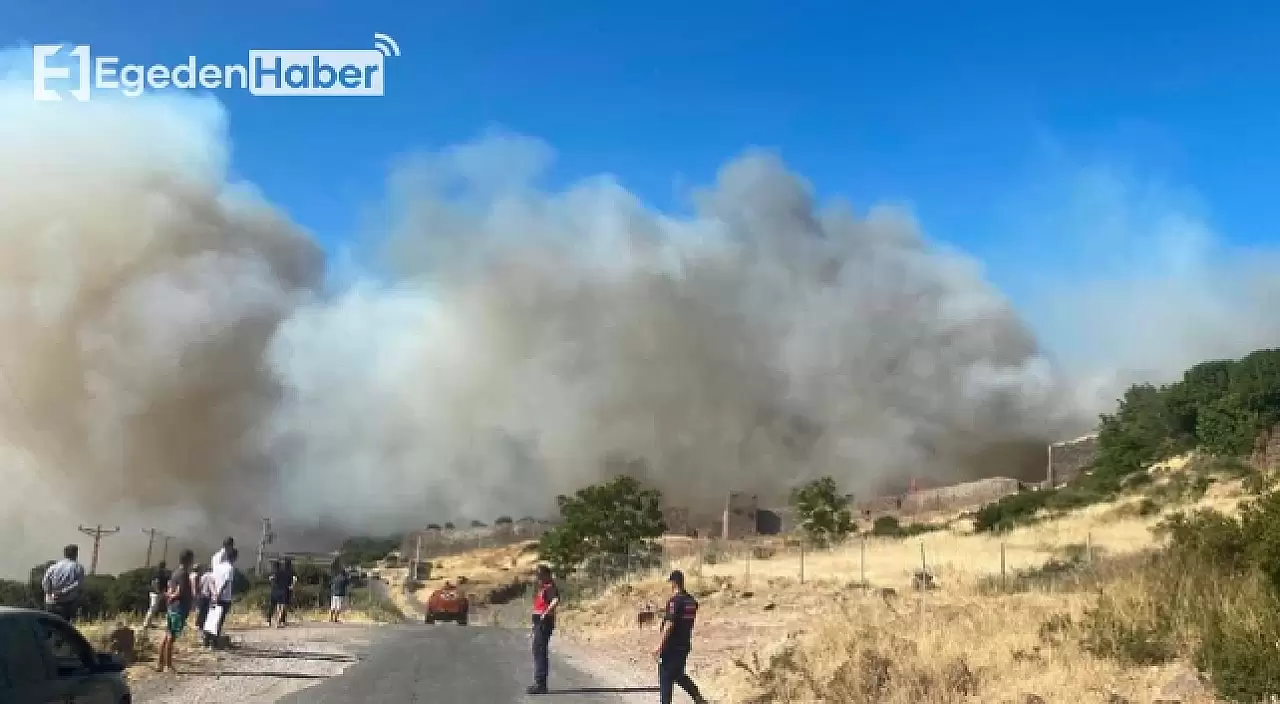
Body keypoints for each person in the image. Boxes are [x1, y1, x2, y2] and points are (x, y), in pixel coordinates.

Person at [654, 570, 708, 704]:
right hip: (684, 644)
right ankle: (697, 696)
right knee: (677, 673)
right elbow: (680, 618)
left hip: (671, 646)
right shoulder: (691, 602)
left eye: (671, 583)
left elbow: (671, 625)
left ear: (674, 583)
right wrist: (660, 613)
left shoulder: (675, 601)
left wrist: (659, 647)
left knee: (665, 675)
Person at [156, 549, 195, 674]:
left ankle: (160, 664)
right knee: (171, 637)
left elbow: (171, 589)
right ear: (188, 560)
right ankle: (168, 665)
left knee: (167, 635)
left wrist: (169, 596)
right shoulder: (183, 574)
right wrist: (173, 596)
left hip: (172, 608)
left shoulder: (175, 572)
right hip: (178, 608)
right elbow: (179, 591)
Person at [526, 564, 560, 695]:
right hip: (539, 623)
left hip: (544, 623)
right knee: (537, 650)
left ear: (547, 575)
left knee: (540, 651)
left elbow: (556, 600)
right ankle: (539, 682)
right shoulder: (543, 588)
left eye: (540, 576)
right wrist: (533, 627)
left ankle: (540, 684)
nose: (538, 578)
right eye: (538, 576)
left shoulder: (550, 587)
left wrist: (546, 612)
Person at [41, 544, 86, 623]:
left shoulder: (53, 567)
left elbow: (45, 581)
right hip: (67, 603)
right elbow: (77, 584)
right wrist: (62, 592)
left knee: (50, 626)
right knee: (63, 628)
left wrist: (50, 592)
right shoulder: (78, 567)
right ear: (76, 554)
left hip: (50, 602)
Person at [203, 547, 237, 648]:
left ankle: (206, 641)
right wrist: (219, 593)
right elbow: (226, 583)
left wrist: (214, 593)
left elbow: (211, 580)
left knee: (211, 619)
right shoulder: (230, 568)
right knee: (219, 621)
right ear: (234, 557)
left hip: (214, 596)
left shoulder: (218, 566)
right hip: (224, 598)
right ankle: (213, 644)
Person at [142, 560, 170, 630]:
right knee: (153, 608)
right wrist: (157, 590)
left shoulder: (160, 573)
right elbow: (155, 582)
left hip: (159, 592)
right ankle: (146, 624)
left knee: (158, 607)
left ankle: (149, 623)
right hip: (156, 593)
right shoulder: (158, 573)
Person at [195, 565, 215, 644]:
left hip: (202, 596)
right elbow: (212, 588)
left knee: (201, 613)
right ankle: (204, 631)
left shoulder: (203, 576)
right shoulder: (212, 577)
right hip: (207, 597)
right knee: (206, 614)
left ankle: (200, 627)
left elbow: (199, 586)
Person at [278, 557, 297, 627]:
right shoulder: (291, 571)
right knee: (284, 605)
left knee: (279, 605)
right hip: (287, 590)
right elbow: (295, 579)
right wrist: (292, 586)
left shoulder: (281, 571)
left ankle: (281, 620)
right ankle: (281, 620)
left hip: (279, 589)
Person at [267, 560, 286, 627]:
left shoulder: (273, 573)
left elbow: (271, 580)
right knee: (281, 607)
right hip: (282, 591)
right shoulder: (283, 573)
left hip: (274, 591)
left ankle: (269, 621)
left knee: (272, 606)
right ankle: (278, 622)